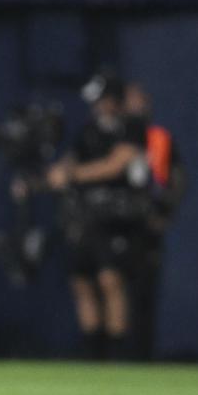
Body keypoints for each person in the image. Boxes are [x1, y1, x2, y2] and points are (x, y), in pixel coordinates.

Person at [46, 73, 149, 360]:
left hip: (116, 218)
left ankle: (117, 352)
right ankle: (93, 351)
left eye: (103, 100)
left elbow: (116, 165)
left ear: (114, 100)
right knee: (81, 281)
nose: (98, 106)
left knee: (110, 280)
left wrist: (72, 175)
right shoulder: (88, 131)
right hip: (85, 217)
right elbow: (69, 162)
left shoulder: (131, 128)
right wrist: (55, 174)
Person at [123, 82, 184, 359]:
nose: (136, 107)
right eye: (130, 101)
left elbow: (177, 179)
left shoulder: (158, 139)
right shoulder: (115, 136)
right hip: (115, 224)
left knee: (143, 292)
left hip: (146, 224)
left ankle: (140, 356)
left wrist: (164, 213)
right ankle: (109, 357)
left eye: (140, 101)